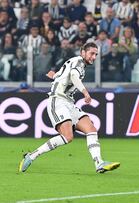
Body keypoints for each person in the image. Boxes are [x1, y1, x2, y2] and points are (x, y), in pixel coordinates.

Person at [19, 42, 120, 173]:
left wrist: (55, 76)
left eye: (96, 54)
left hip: (69, 103)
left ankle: (99, 163)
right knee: (68, 137)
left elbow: (61, 76)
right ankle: (31, 156)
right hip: (57, 101)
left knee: (91, 129)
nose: (94, 57)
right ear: (83, 52)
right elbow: (73, 75)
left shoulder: (75, 62)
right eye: (91, 53)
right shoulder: (78, 62)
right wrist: (85, 92)